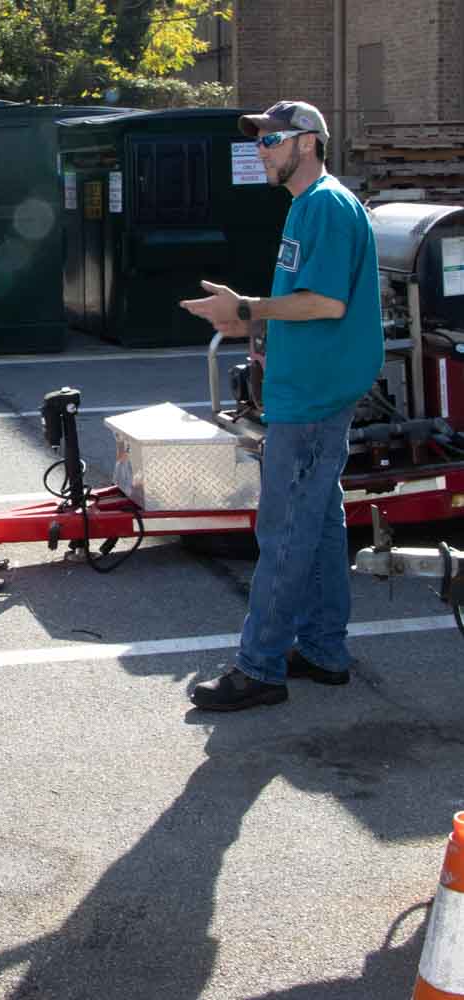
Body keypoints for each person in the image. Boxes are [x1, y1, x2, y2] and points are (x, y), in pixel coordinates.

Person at [180, 100, 381, 712]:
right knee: (317, 525)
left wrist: (249, 309)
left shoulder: (324, 203)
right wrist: (257, 323)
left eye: (271, 141)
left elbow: (325, 303)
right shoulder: (307, 205)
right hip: (312, 386)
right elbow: (308, 300)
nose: (261, 150)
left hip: (315, 395)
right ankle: (323, 651)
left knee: (286, 530)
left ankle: (260, 667)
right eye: (259, 142)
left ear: (308, 144)